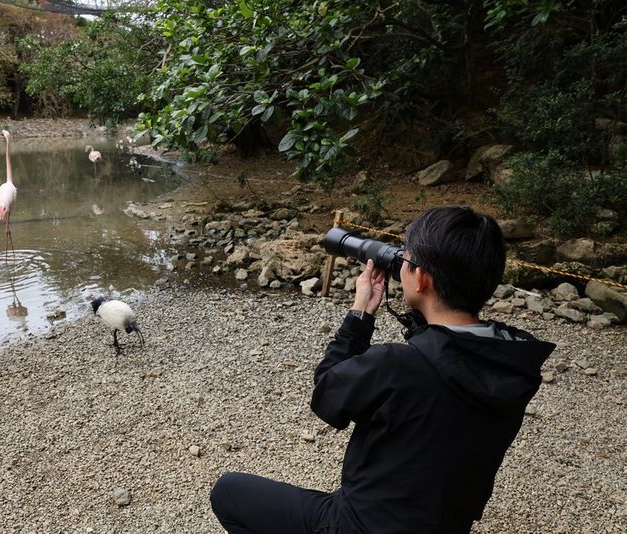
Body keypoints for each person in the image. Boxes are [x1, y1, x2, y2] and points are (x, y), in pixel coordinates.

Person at [210, 206, 556, 533]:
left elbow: (327, 396)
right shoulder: (511, 362)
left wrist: (360, 313)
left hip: (360, 526)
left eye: (404, 258)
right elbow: (444, 366)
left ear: (420, 279)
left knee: (229, 491)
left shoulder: (396, 365)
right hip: (441, 523)